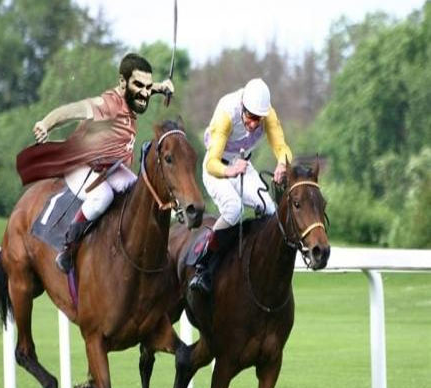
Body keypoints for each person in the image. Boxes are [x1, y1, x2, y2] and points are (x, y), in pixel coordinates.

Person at [16, 53, 174, 273]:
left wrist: (161, 87)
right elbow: (71, 111)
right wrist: (46, 123)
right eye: (140, 86)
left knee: (142, 191)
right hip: (83, 166)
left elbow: (143, 88)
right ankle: (68, 247)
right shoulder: (108, 104)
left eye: (149, 87)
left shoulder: (133, 96)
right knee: (103, 196)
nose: (146, 93)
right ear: (122, 82)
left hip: (111, 168)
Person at [189, 78, 293, 294]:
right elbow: (211, 164)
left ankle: (261, 265)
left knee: (269, 209)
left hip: (242, 165)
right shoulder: (227, 113)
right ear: (242, 107)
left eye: (258, 119)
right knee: (234, 208)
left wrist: (282, 164)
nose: (254, 124)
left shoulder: (268, 115)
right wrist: (230, 170)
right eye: (250, 117)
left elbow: (282, 147)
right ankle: (204, 265)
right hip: (217, 169)